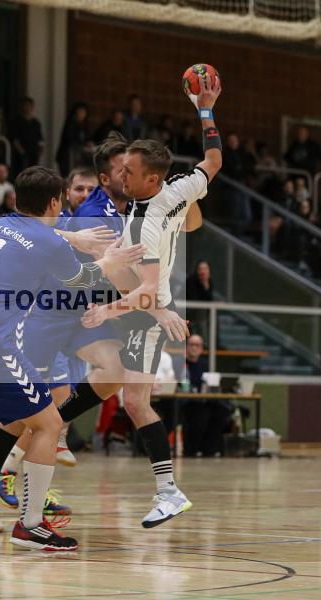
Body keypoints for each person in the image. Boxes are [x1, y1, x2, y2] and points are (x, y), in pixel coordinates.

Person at [0, 166, 144, 550]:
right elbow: (81, 280)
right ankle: (31, 525)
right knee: (49, 424)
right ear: (55, 201)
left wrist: (73, 236)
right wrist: (111, 260)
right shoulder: (50, 242)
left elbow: (45, 233)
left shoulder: (0, 224)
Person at [79, 73, 223, 527]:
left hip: (142, 313)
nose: (122, 174)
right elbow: (214, 160)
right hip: (147, 306)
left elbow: (143, 292)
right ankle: (41, 433)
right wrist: (205, 110)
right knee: (107, 384)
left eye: (130, 172)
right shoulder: (179, 187)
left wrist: (109, 309)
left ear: (151, 178)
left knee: (136, 403)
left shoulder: (145, 221)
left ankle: (168, 491)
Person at [56, 102, 93, 176]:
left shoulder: (84, 126)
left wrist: (88, 143)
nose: (81, 115)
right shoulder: (70, 124)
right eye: (79, 113)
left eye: (83, 113)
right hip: (67, 156)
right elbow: (70, 138)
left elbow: (87, 138)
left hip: (79, 157)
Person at [9, 97, 44, 174]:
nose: (27, 108)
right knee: (22, 172)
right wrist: (21, 151)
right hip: (21, 154)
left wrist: (41, 148)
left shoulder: (36, 123)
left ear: (32, 107)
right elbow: (15, 139)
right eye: (25, 106)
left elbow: (40, 138)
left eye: (29, 106)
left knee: (34, 172)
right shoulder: (16, 121)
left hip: (34, 152)